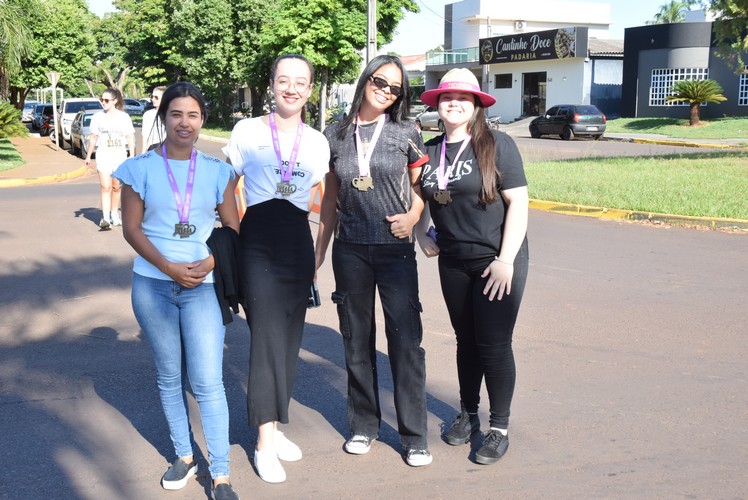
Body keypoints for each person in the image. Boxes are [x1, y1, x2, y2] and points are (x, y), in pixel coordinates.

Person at [113, 82, 241, 500]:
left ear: (203, 120)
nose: (184, 123)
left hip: (203, 286)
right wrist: (167, 266)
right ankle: (185, 455)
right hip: (153, 285)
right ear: (163, 117)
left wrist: (210, 263)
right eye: (176, 114)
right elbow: (131, 229)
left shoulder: (218, 170)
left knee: (207, 381)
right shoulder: (139, 168)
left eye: (193, 115)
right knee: (170, 377)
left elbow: (234, 228)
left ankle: (220, 474)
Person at [314, 54, 432, 467]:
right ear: (366, 80)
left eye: (395, 88)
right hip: (350, 250)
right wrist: (320, 250)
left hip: (395, 251)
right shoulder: (335, 135)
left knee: (405, 343)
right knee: (356, 341)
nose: (385, 90)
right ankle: (364, 425)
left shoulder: (406, 132)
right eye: (380, 81)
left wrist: (414, 217)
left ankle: (415, 435)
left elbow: (423, 189)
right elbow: (329, 198)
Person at [222, 54, 329, 484]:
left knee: (290, 338)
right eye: (283, 80)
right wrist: (232, 234)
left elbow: (324, 199)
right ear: (271, 84)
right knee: (266, 336)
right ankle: (264, 442)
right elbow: (226, 186)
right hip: (259, 239)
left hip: (296, 240)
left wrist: (318, 253)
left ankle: (277, 425)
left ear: (310, 89)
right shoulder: (247, 131)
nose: (291, 88)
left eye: (300, 82)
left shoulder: (318, 141)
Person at [415, 68, 529, 465]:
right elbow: (421, 198)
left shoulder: (498, 145)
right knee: (466, 341)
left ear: (477, 104)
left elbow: (518, 203)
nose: (454, 103)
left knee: (494, 345)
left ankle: (499, 428)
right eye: (447, 97)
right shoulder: (429, 151)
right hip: (453, 261)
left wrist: (506, 261)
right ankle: (468, 414)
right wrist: (421, 233)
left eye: (464, 98)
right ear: (438, 105)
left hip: (496, 261)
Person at [85, 87, 136, 229]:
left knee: (116, 187)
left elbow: (130, 136)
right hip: (103, 155)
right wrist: (89, 156)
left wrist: (131, 155)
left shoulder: (123, 117)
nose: (103, 102)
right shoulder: (97, 117)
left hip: (119, 156)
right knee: (105, 187)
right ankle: (106, 218)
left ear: (115, 101)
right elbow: (93, 138)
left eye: (106, 100)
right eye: (102, 100)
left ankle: (114, 213)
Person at [142, 86, 167, 151]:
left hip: (167, 149)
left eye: (156, 97)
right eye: (152, 97)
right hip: (152, 149)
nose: (153, 99)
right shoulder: (147, 114)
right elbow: (145, 135)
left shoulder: (170, 114)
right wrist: (143, 154)